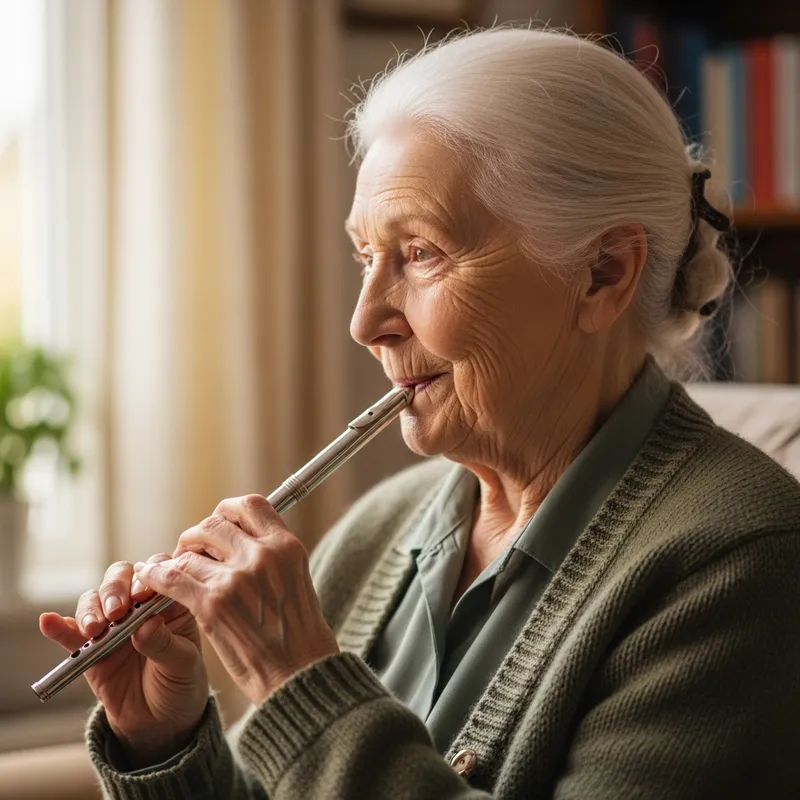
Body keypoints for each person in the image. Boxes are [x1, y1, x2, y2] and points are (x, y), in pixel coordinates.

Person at [40, 27, 800, 799]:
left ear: (603, 273)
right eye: (367, 256)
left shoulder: (742, 561)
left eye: (422, 253)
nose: (366, 322)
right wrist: (163, 743)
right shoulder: (379, 531)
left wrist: (297, 679)